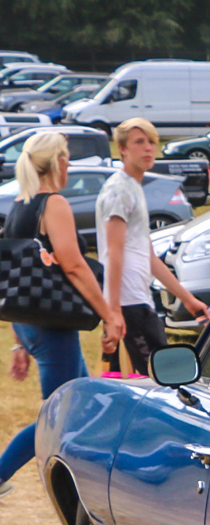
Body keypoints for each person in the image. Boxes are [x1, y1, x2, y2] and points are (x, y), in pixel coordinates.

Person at [0, 131, 125, 499]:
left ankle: (97, 479)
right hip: (52, 325)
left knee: (82, 403)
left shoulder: (22, 204)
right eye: (67, 157)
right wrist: (108, 314)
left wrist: (18, 342)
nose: (69, 163)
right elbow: (73, 265)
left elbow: (15, 281)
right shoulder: (53, 204)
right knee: (56, 415)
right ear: (57, 162)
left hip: (31, 322)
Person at [96, 117, 208, 375]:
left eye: (152, 142)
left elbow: (148, 256)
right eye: (139, 142)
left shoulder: (133, 188)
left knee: (131, 380)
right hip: (126, 302)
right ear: (122, 149)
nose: (148, 148)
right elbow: (113, 251)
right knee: (162, 376)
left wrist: (188, 300)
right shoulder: (119, 190)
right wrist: (113, 311)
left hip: (138, 298)